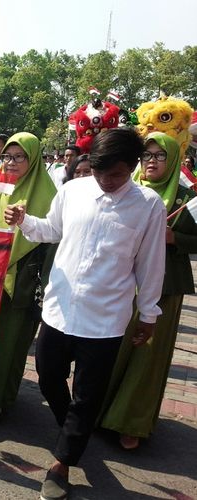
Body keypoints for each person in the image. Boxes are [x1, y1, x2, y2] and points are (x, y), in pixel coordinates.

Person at [4, 128, 166, 500]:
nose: (107, 182)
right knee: (48, 378)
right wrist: (24, 220)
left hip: (105, 318)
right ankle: (74, 431)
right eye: (99, 172)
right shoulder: (74, 191)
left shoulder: (149, 205)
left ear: (133, 167)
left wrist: (148, 314)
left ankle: (61, 464)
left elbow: (151, 265)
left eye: (117, 175)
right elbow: (50, 231)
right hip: (59, 310)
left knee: (86, 396)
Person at [100, 132, 197, 450]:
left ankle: (132, 422)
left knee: (146, 357)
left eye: (159, 156)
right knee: (112, 349)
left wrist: (175, 239)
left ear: (173, 160)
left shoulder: (187, 199)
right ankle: (100, 411)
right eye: (146, 155)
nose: (151, 161)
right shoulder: (128, 190)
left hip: (164, 288)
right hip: (122, 282)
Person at [0, 132, 56, 425]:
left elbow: (52, 238)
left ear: (33, 159)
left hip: (21, 280)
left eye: (18, 157)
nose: (10, 162)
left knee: (9, 344)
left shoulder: (47, 194)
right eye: (7, 156)